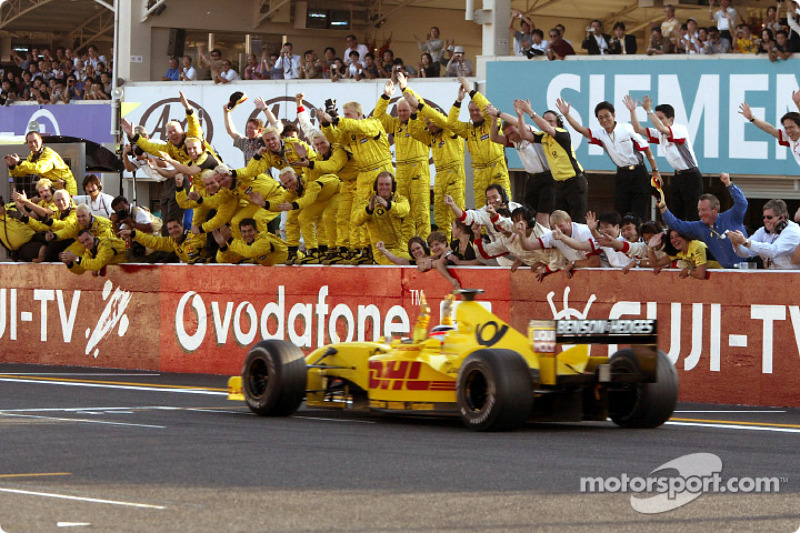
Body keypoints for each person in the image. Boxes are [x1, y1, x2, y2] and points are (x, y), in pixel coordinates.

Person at [557, 99, 660, 223]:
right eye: (600, 118)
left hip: (639, 172)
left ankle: (640, 240)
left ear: (614, 115)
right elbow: (580, 129)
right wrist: (567, 114)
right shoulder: (600, 134)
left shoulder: (626, 128)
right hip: (622, 175)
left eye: (607, 116)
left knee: (640, 211)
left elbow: (647, 149)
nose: (604, 120)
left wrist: (655, 171)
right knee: (621, 211)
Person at [624, 95, 702, 221]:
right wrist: (633, 111)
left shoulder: (679, 129)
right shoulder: (660, 133)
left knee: (692, 214)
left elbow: (661, 127)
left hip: (691, 176)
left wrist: (649, 111)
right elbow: (638, 129)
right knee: (676, 214)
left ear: (670, 119)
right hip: (678, 176)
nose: (658, 121)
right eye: (657, 118)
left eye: (661, 118)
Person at [402, 86, 465, 241]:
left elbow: (440, 118)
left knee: (456, 215)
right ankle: (446, 249)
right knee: (440, 217)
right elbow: (415, 132)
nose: (429, 125)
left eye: (432, 122)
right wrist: (414, 114)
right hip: (440, 176)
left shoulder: (451, 130)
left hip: (454, 175)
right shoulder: (431, 137)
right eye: (427, 123)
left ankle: (461, 247)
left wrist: (407, 90)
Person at [375, 74, 431, 239]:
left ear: (411, 110)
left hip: (418, 168)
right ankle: (408, 246)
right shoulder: (395, 124)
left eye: (405, 110)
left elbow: (420, 103)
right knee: (404, 211)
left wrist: (405, 89)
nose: (402, 114)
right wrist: (386, 97)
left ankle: (426, 247)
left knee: (421, 211)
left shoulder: (420, 120)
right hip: (401, 170)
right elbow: (378, 117)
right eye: (399, 111)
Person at [515, 99, 588, 224]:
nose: (547, 123)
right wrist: (521, 116)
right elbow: (524, 135)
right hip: (559, 184)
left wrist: (529, 111)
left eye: (551, 121)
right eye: (545, 120)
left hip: (574, 182)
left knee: (578, 220)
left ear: (559, 123)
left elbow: (548, 128)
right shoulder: (543, 136)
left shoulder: (562, 133)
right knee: (560, 221)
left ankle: (581, 243)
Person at [658, 172, 747, 268]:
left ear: (715, 209)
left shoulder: (731, 217)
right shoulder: (699, 227)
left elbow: (742, 203)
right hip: (725, 273)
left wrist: (729, 184)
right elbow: (676, 225)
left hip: (749, 268)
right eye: (699, 210)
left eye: (704, 210)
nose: (700, 214)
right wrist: (663, 208)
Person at [485, 104, 554, 228]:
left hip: (547, 178)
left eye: (512, 133)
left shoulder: (530, 132)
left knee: (542, 218)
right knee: (529, 216)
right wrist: (494, 120)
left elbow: (516, 122)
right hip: (532, 179)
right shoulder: (514, 141)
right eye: (508, 136)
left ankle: (544, 244)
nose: (511, 137)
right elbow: (494, 137)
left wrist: (499, 113)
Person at [446, 77, 511, 206]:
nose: (474, 113)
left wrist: (470, 90)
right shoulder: (467, 130)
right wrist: (459, 101)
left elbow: (486, 106)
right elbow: (451, 123)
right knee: (482, 210)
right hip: (479, 173)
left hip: (497, 168)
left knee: (504, 205)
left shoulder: (492, 121)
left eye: (477, 110)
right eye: (471, 110)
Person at [264, 167, 340, 265]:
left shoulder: (309, 180)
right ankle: (296, 251)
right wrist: (264, 204)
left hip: (336, 193)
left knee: (321, 217)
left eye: (290, 180)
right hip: (320, 198)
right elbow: (279, 202)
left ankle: (327, 250)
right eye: (286, 183)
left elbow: (308, 199)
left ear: (296, 175)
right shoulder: (293, 189)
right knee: (292, 218)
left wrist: (292, 205)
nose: (289, 185)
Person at [445, 184, 521, 267]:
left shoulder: (517, 208)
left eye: (494, 197)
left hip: (522, 248)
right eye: (489, 199)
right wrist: (452, 205)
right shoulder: (485, 212)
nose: (492, 201)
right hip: (501, 255)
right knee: (481, 255)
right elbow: (466, 217)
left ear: (503, 196)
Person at [516, 209, 601, 280]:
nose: (558, 230)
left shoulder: (583, 232)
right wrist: (521, 234)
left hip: (602, 273)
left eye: (561, 225)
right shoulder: (554, 234)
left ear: (569, 221)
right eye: (554, 227)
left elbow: (595, 262)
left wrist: (573, 263)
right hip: (582, 276)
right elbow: (528, 246)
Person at [354, 172, 414, 265]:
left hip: (402, 247)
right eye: (381, 184)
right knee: (405, 263)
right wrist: (368, 210)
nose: (384, 187)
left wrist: (388, 205)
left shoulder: (400, 199)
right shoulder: (368, 202)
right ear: (375, 186)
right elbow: (355, 220)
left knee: (422, 260)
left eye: (387, 184)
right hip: (381, 250)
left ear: (393, 186)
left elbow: (404, 209)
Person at [726, 199, 799, 270]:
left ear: (782, 217)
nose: (765, 220)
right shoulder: (763, 231)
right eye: (763, 217)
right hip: (774, 276)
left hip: (793, 276)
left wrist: (745, 242)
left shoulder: (792, 231)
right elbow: (746, 253)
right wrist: (736, 243)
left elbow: (773, 251)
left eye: (769, 217)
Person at [5, 131, 77, 195]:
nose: (33, 144)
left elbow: (39, 168)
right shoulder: (32, 156)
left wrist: (19, 162)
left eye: (35, 141)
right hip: (51, 189)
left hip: (66, 187)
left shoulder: (49, 154)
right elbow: (22, 172)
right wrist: (12, 167)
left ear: (41, 141)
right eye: (30, 142)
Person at [739, 96, 800, 169]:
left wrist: (797, 103)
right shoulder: (789, 138)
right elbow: (770, 129)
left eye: (791, 127)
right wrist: (751, 118)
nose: (788, 131)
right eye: (786, 128)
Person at [120, 217, 207, 264]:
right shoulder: (171, 242)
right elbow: (152, 242)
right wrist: (133, 234)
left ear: (182, 227)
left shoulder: (194, 236)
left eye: (175, 227)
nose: (173, 230)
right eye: (170, 229)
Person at [223, 96, 281, 165]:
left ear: (259, 131)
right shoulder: (245, 142)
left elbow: (276, 126)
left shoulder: (266, 141)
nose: (248, 130)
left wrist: (265, 108)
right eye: (247, 127)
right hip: (248, 175)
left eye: (251, 128)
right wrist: (226, 112)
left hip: (264, 175)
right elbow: (230, 131)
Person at [212, 218, 288, 266]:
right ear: (240, 233)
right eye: (244, 232)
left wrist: (230, 240)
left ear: (256, 230)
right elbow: (225, 260)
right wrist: (223, 246)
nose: (247, 234)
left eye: (250, 231)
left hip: (295, 264)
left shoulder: (264, 239)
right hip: (277, 271)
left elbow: (250, 252)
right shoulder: (243, 244)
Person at [59, 228, 126, 276]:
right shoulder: (89, 250)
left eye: (87, 239)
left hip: (132, 261)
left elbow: (96, 265)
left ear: (93, 235)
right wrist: (69, 264)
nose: (86, 244)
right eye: (82, 242)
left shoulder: (105, 245)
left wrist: (76, 258)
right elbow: (82, 269)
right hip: (124, 271)